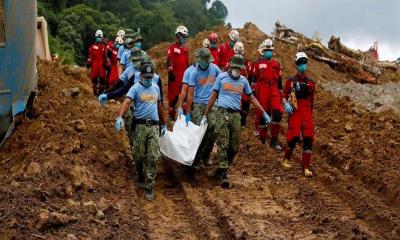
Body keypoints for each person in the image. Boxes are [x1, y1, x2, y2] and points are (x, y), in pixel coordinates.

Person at [202, 54, 271, 188]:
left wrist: (263, 113)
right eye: (235, 68)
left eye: (240, 69)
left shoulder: (243, 81)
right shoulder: (221, 78)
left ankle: (222, 168)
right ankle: (223, 173)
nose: (237, 71)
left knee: (234, 146)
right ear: (230, 66)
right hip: (222, 113)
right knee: (224, 143)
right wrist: (206, 114)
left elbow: (252, 99)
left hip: (235, 115)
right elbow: (213, 96)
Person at [115, 62, 167, 200]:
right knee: (138, 155)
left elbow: (160, 106)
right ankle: (140, 174)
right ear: (141, 76)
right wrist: (120, 117)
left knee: (152, 156)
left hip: (154, 126)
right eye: (147, 77)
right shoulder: (135, 88)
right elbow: (126, 102)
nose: (149, 80)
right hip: (140, 126)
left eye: (151, 77)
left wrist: (164, 124)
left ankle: (149, 186)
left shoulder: (155, 87)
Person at [185, 48, 221, 169]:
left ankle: (206, 155)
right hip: (199, 104)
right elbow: (190, 94)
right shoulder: (194, 73)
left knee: (213, 129)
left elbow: (222, 83)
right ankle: (195, 158)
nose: (205, 63)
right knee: (199, 132)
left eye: (207, 61)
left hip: (212, 104)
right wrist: (188, 112)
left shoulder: (215, 69)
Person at [281, 52, 315, 177]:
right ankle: (286, 159)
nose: (302, 65)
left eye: (304, 63)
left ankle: (306, 166)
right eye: (300, 63)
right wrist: (286, 104)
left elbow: (312, 101)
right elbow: (284, 96)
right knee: (293, 137)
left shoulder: (311, 83)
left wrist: (310, 115)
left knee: (308, 138)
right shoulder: (290, 81)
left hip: (306, 113)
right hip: (295, 112)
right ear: (296, 65)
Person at [251, 39, 283, 151]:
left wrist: (281, 96)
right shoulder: (258, 64)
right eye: (267, 50)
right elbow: (254, 79)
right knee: (263, 115)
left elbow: (280, 82)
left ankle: (274, 141)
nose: (269, 52)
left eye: (271, 50)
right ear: (263, 51)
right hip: (262, 89)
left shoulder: (277, 65)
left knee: (278, 113)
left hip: (274, 89)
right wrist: (253, 92)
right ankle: (262, 139)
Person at [166, 25, 189, 120]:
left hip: (184, 79)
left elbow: (187, 64)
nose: (184, 39)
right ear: (178, 36)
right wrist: (170, 70)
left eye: (185, 37)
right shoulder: (172, 48)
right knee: (173, 99)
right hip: (174, 78)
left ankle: (181, 118)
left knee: (184, 99)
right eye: (183, 37)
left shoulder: (185, 50)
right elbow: (169, 61)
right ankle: (171, 118)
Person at [232, 42, 252, 127]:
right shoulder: (231, 61)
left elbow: (249, 75)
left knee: (245, 104)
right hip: (233, 87)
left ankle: (242, 123)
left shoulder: (246, 62)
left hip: (243, 86)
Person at [87, 29, 107, 96]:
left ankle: (100, 94)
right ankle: (94, 93)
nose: (99, 38)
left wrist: (107, 65)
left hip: (102, 66)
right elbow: (90, 56)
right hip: (94, 65)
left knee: (102, 79)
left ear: (102, 38)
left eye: (100, 37)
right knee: (94, 79)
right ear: (95, 37)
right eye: (98, 37)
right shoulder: (92, 46)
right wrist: (88, 62)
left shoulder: (104, 47)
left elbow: (106, 57)